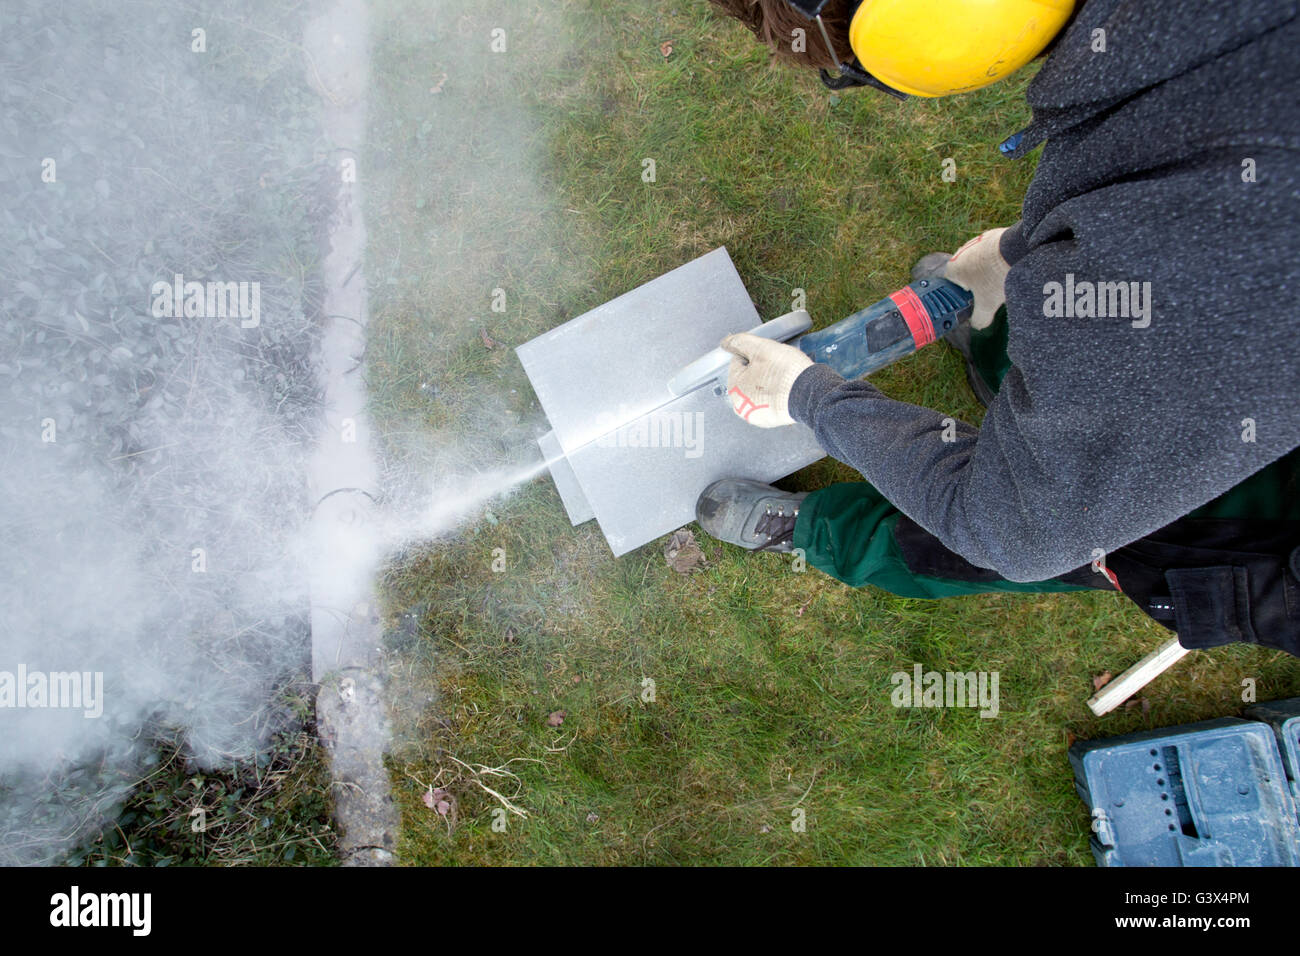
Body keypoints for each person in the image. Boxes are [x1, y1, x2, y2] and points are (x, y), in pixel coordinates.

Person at [695, 0, 1300, 656]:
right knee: (1065, 338)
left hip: (1269, 529)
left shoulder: (1166, 280)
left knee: (1019, 537)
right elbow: (1183, 161)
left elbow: (1012, 529)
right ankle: (995, 354)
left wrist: (812, 398)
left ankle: (818, 531)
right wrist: (1020, 249)